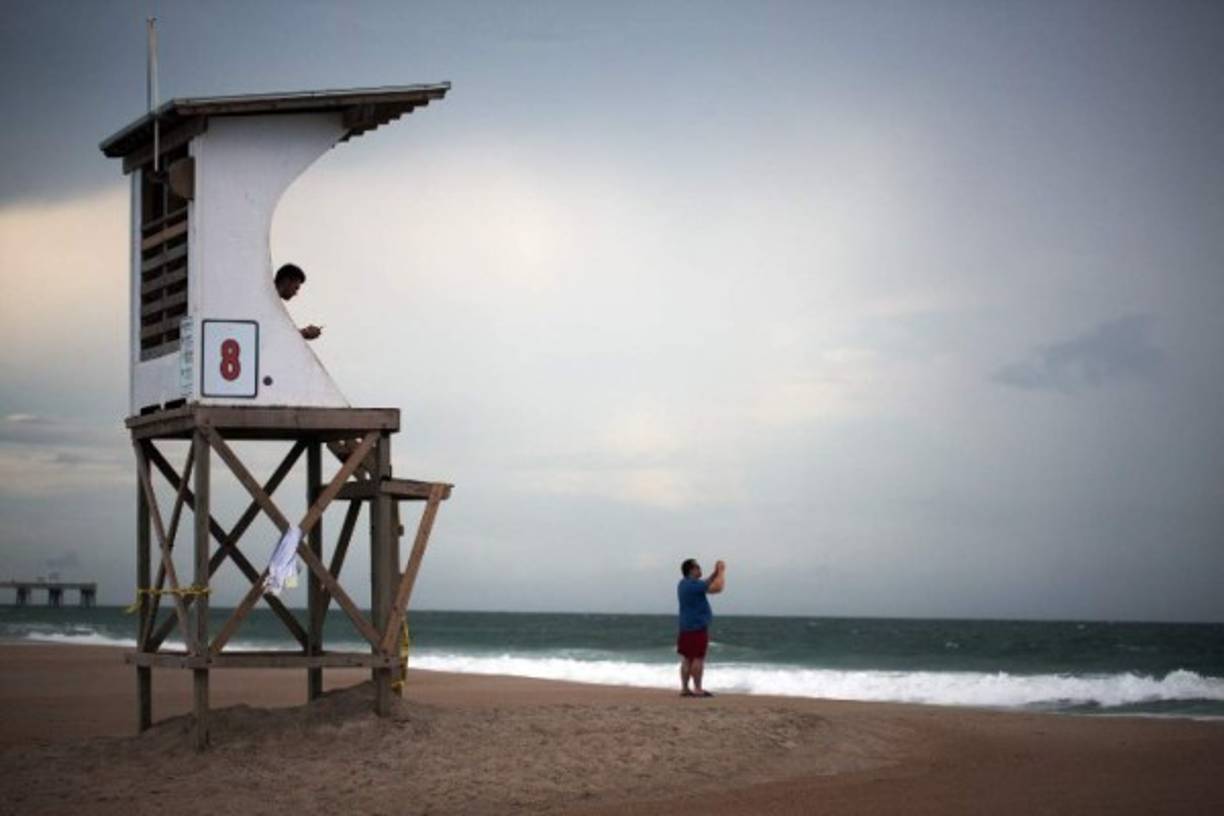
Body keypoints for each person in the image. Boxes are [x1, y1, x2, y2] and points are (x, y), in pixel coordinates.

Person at [676, 557, 725, 697]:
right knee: (698, 658)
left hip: (685, 627)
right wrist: (720, 571)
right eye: (697, 567)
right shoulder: (694, 585)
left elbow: (706, 582)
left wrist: (715, 572)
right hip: (697, 627)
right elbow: (716, 587)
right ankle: (698, 688)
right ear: (691, 570)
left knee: (686, 658)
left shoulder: (682, 584)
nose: (700, 569)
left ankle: (685, 688)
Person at [274, 263, 323, 340]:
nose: (295, 293)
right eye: (296, 288)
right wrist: (305, 333)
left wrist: (304, 332)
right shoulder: (270, 306)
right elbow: (274, 336)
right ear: (286, 281)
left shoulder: (272, 303)